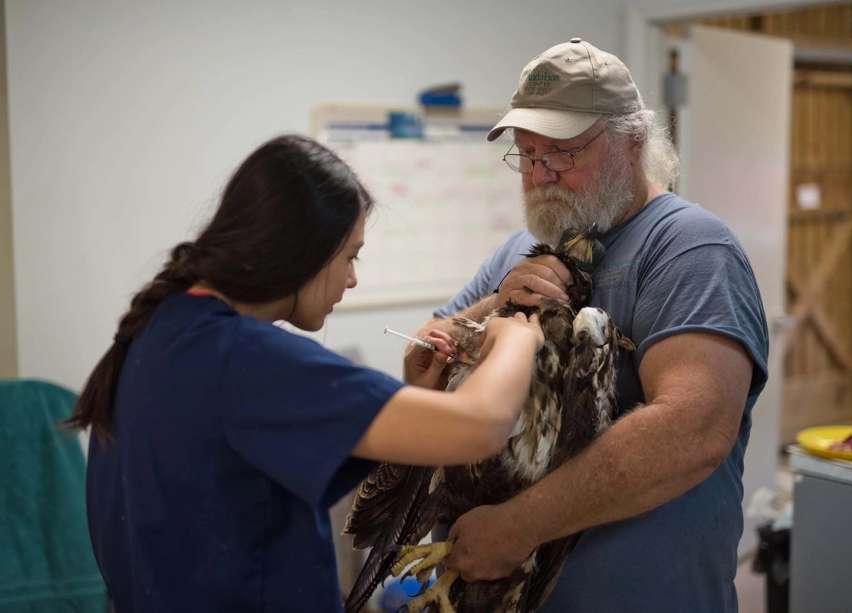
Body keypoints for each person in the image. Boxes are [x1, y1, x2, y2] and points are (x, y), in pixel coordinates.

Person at [65, 135, 544, 613]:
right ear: (304, 251)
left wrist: (413, 395)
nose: (352, 279)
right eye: (350, 256)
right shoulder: (247, 359)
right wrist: (515, 334)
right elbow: (479, 425)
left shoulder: (162, 330)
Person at [407, 39, 770, 612]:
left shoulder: (690, 248)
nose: (540, 174)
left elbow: (691, 432)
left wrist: (515, 527)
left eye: (563, 153)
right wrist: (492, 308)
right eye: (527, 155)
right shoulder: (518, 253)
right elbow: (423, 364)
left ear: (632, 141)